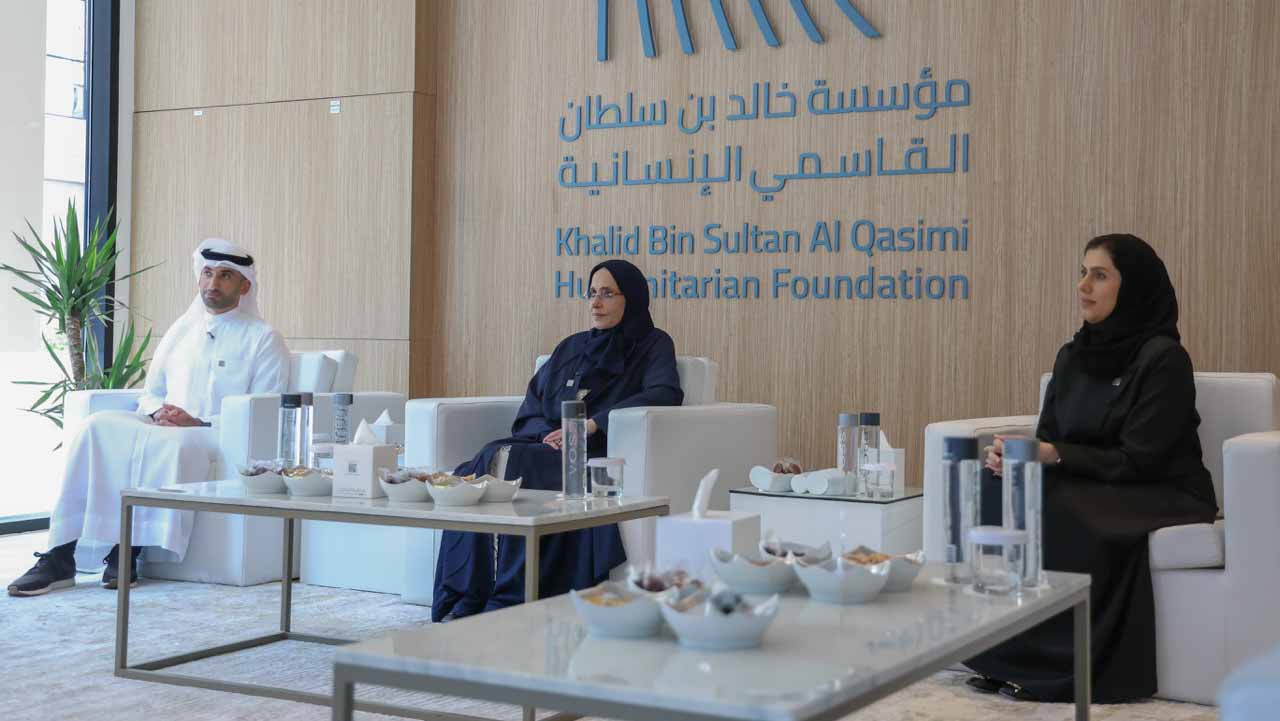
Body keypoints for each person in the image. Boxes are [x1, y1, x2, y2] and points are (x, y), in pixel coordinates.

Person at [965, 234, 1219, 702]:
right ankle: (1001, 655)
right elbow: (1048, 437)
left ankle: (1060, 669)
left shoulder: (1164, 360)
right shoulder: (1072, 356)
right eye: (1083, 273)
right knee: (995, 490)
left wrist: (1054, 456)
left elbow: (1140, 459)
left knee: (1070, 510)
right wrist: (1016, 458)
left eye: (1099, 275)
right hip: (1090, 481)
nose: (1084, 285)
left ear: (1132, 287)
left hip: (1161, 489)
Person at [7, 238, 291, 596]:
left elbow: (262, 408)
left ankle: (127, 550)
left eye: (225, 276)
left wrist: (197, 422)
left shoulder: (263, 339)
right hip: (162, 423)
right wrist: (158, 410)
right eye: (207, 273)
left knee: (169, 445)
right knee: (96, 428)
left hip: (213, 433)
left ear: (244, 286)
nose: (213, 283)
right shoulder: (182, 330)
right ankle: (60, 555)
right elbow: (152, 390)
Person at [431, 259, 683, 622]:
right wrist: (545, 437)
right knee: (480, 464)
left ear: (632, 298)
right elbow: (531, 406)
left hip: (593, 453)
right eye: (592, 293)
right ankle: (469, 592)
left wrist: (591, 425)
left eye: (607, 294)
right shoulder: (570, 347)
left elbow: (664, 392)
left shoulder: (652, 343)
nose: (595, 303)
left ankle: (510, 596)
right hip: (545, 445)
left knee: (517, 462)